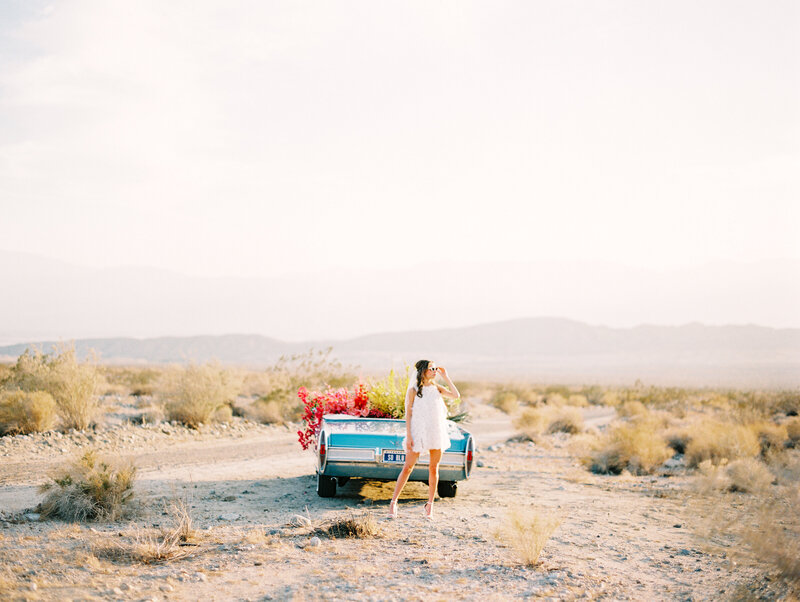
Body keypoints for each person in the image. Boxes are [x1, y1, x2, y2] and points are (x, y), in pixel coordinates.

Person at [387, 359, 460, 519]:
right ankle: (393, 502)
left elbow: (456, 395)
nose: (434, 371)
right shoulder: (413, 390)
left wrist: (446, 376)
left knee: (434, 468)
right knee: (408, 467)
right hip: (418, 431)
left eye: (435, 369)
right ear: (423, 371)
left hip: (435, 431)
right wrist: (409, 436)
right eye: (431, 369)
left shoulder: (436, 388)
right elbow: (409, 414)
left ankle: (429, 506)